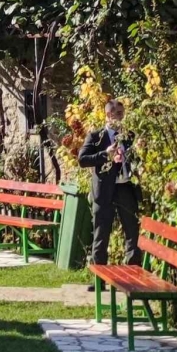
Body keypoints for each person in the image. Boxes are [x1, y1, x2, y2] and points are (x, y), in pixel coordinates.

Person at [77, 98, 143, 267]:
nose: (122, 117)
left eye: (123, 113)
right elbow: (82, 159)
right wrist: (105, 154)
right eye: (118, 114)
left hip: (126, 188)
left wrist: (140, 151)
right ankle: (99, 277)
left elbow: (138, 162)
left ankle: (133, 274)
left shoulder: (130, 136)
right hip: (104, 190)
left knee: (132, 232)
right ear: (108, 115)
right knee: (101, 234)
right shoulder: (96, 137)